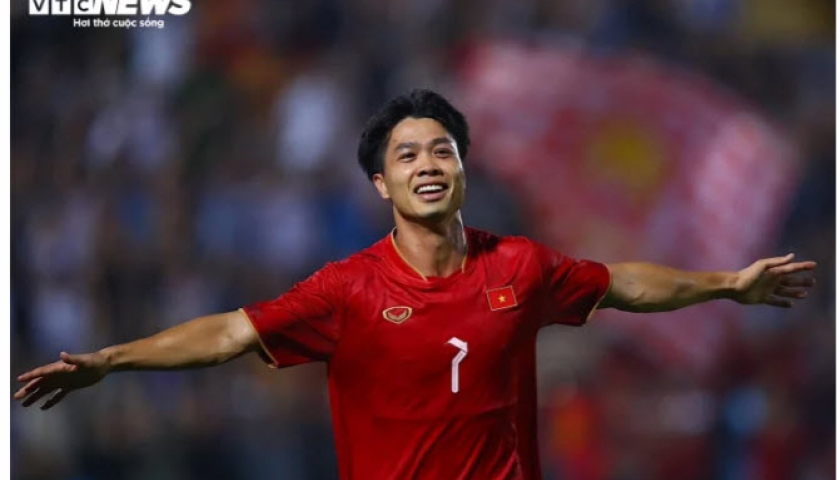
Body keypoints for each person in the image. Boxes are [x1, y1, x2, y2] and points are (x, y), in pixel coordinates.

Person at [15, 90, 816, 480]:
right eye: (407, 155)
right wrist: (110, 360)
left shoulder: (520, 266)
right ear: (381, 185)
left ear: (462, 170)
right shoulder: (347, 289)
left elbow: (622, 286)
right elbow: (229, 333)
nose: (428, 164)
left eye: (443, 150)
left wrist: (727, 284)